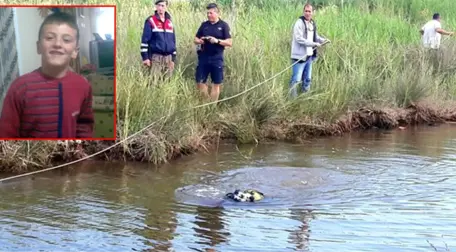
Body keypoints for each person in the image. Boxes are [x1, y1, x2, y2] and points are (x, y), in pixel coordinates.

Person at [0, 11, 94, 138]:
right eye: (50, 38)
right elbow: (6, 135)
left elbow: (84, 126)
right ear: (39, 47)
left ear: (75, 52)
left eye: (66, 40)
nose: (57, 44)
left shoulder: (83, 85)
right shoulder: (20, 87)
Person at [289, 3, 329, 97]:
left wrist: (323, 40)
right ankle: (292, 100)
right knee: (296, 80)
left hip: (309, 56)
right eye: (306, 11)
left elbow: (315, 36)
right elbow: (299, 39)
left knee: (307, 79)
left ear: (313, 12)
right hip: (299, 56)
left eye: (309, 11)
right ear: (303, 12)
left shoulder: (312, 23)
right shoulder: (299, 23)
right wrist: (314, 44)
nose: (307, 13)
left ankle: (305, 97)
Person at [194, 3, 232, 101]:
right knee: (200, 82)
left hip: (217, 58)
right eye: (207, 13)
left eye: (210, 13)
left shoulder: (224, 26)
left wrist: (217, 41)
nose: (208, 15)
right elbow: (195, 39)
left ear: (217, 13)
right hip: (203, 57)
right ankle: (207, 102)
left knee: (216, 83)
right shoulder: (204, 25)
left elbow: (229, 42)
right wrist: (200, 40)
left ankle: (212, 107)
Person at [140, 0, 177, 78]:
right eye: (159, 5)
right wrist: (145, 58)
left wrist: (173, 59)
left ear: (166, 7)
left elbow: (173, 41)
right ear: (156, 6)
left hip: (169, 58)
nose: (160, 8)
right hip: (156, 58)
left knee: (167, 83)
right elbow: (145, 41)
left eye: (163, 6)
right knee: (154, 83)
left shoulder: (170, 22)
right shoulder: (150, 21)